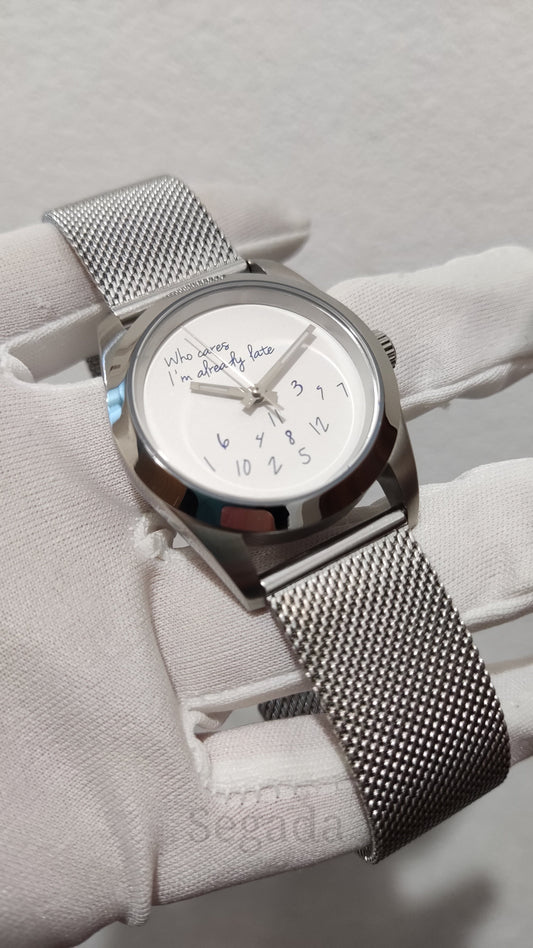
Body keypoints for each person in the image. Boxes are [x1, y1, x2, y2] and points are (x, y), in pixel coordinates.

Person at [0, 184, 532, 948]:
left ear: (374, 356)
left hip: (346, 475)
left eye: (261, 385)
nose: (254, 395)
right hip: (249, 531)